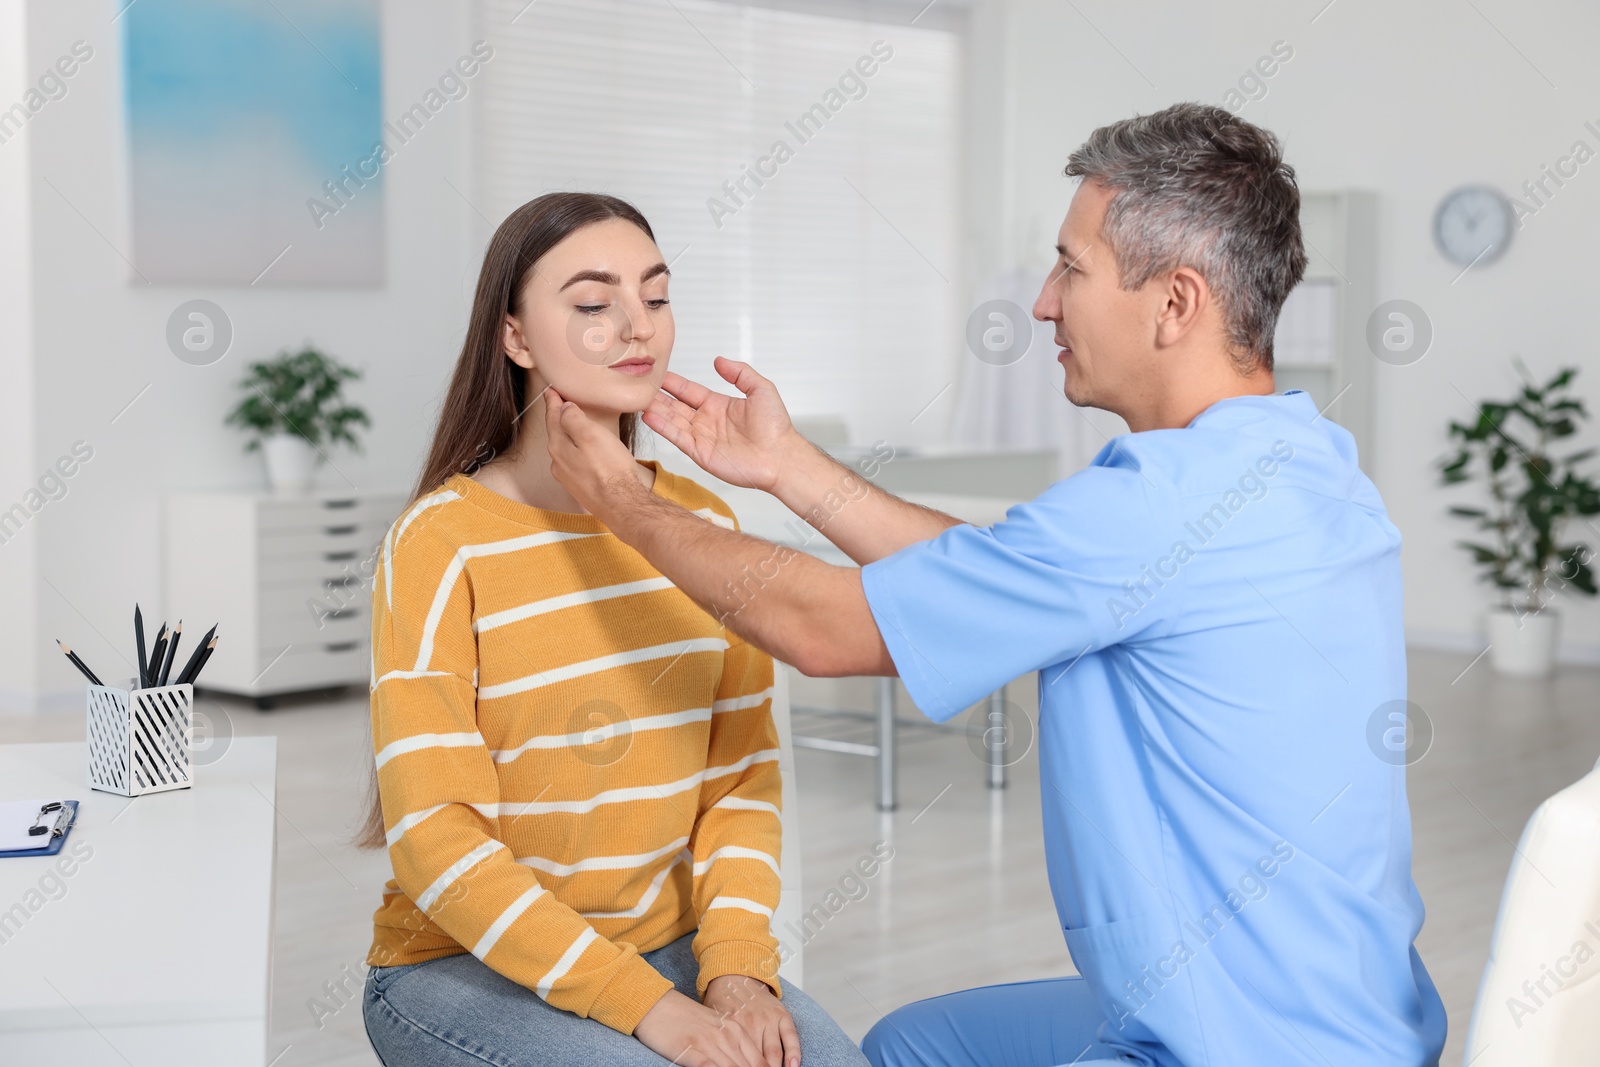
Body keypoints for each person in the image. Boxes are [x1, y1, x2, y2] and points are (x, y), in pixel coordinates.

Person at [538, 104, 1449, 1066]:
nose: (1044, 302)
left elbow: (828, 631)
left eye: (1072, 267)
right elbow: (999, 574)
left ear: (1175, 304)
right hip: (1345, 1015)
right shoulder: (1301, 462)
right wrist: (786, 466)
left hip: (1237, 1044)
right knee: (912, 1045)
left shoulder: (1164, 505)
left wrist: (623, 503)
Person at [355, 191, 869, 1067]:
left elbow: (740, 777)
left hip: (669, 946)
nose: (639, 327)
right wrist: (648, 1010)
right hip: (461, 965)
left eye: (657, 297)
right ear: (515, 337)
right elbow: (437, 841)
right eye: (595, 305)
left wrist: (740, 968)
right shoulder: (440, 543)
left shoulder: (703, 526)